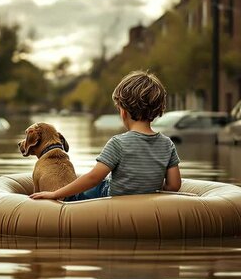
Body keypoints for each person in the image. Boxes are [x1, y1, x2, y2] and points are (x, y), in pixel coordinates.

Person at [30, 70, 181, 201]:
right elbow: (174, 185)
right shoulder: (167, 144)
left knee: (96, 187)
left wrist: (55, 193)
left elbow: (94, 178)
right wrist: (146, 185)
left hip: (110, 202)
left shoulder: (118, 143)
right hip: (147, 205)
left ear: (123, 111)